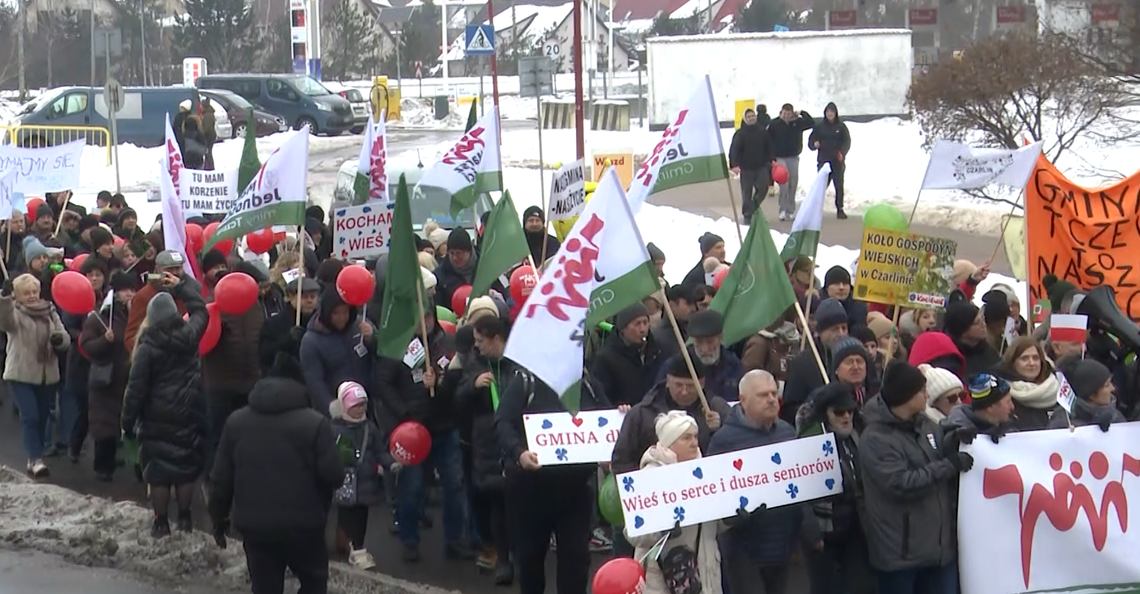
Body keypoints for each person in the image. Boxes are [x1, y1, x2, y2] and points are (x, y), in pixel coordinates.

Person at [209, 354, 345, 594]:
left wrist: (218, 519)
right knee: (314, 583)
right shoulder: (315, 423)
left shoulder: (237, 422)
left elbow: (221, 479)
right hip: (305, 525)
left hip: (255, 527)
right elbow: (333, 475)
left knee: (265, 588)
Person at [495, 362, 610, 594]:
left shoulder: (588, 383)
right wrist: (519, 452)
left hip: (575, 490)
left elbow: (606, 417)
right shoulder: (526, 383)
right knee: (529, 561)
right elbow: (502, 422)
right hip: (530, 490)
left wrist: (620, 418)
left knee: (576, 561)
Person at [859, 361, 970, 594]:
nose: (927, 394)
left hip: (938, 550)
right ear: (906, 395)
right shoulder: (876, 438)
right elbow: (901, 483)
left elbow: (942, 446)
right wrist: (948, 466)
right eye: (922, 391)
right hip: (902, 555)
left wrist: (962, 436)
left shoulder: (925, 425)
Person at [709, 371, 821, 594]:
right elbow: (716, 496)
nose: (771, 399)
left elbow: (800, 486)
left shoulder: (787, 432)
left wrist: (811, 532)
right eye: (763, 395)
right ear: (743, 400)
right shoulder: (724, 440)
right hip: (744, 548)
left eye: (773, 393)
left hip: (782, 542)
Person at [374, 305, 469, 562]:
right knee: (412, 487)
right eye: (418, 318)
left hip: (445, 425)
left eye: (427, 317)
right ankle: (409, 539)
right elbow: (382, 382)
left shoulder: (447, 343)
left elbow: (460, 378)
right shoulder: (397, 346)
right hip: (413, 429)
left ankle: (454, 539)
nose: (423, 323)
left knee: (453, 484)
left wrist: (439, 382)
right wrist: (403, 412)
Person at [121, 277, 209, 537]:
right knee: (185, 468)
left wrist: (127, 421)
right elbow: (201, 310)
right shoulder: (191, 335)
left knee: (158, 472)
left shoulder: (147, 347)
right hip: (189, 410)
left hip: (156, 415)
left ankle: (160, 521)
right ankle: (184, 517)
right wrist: (182, 287)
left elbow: (135, 389)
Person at [628, 411, 725, 594]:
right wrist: (661, 530)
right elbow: (634, 534)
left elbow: (709, 527)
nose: (694, 442)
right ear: (669, 442)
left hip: (704, 575)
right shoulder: (649, 476)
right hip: (662, 579)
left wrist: (727, 520)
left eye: (695, 436)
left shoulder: (705, 473)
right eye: (686, 437)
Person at [794, 383, 876, 594]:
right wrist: (812, 532)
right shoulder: (808, 442)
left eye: (850, 411)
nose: (846, 417)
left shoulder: (856, 436)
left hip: (854, 527)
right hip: (823, 530)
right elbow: (800, 494)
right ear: (824, 414)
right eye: (839, 412)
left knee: (861, 586)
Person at [457, 315, 517, 582]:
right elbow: (457, 400)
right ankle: (503, 559)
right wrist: (472, 386)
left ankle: (522, 556)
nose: (477, 346)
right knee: (497, 504)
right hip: (488, 443)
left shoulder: (517, 363)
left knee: (519, 505)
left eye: (481, 341)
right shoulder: (474, 365)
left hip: (517, 439)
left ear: (496, 339)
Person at [0, 273, 69, 478]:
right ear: (18, 295)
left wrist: (59, 339)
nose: (31, 296)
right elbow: (5, 323)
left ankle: (34, 456)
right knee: (30, 416)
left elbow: (64, 337)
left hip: (47, 373)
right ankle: (35, 458)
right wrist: (4, 298)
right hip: (20, 373)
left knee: (43, 417)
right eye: (26, 293)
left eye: (34, 292)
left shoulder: (49, 311)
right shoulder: (15, 312)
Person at [79, 272, 135, 481]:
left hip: (128, 378)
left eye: (132, 289)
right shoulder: (100, 317)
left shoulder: (136, 315)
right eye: (125, 290)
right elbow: (87, 346)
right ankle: (102, 467)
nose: (129, 294)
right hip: (106, 379)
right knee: (105, 426)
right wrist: (104, 340)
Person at [329, 381, 389, 569]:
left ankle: (357, 547)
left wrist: (391, 463)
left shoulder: (370, 428)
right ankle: (352, 547)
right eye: (356, 405)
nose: (361, 409)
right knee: (346, 515)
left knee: (361, 517)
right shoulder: (333, 428)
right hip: (344, 481)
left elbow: (380, 451)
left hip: (365, 482)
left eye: (363, 404)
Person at [299, 287, 375, 413]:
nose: (342, 317)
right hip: (338, 409)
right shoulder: (311, 341)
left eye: (345, 312)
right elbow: (315, 382)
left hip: (368, 403)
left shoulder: (360, 325)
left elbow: (379, 357)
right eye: (336, 313)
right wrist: (331, 407)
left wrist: (372, 339)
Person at [781, 298, 850, 424]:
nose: (841, 333)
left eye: (844, 328)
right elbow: (789, 411)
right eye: (834, 329)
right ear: (820, 332)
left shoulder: (854, 358)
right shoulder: (802, 363)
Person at [656, 310, 744, 401]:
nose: (705, 349)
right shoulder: (674, 366)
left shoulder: (734, 366)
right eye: (699, 342)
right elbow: (656, 399)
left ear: (720, 338)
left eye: (710, 342)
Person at [591, 303, 663, 406]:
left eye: (645, 322)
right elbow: (603, 396)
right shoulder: (606, 358)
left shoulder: (657, 350)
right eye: (637, 324)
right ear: (623, 329)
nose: (642, 329)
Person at [124, 250, 189, 357]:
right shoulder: (145, 295)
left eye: (178, 268)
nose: (175, 273)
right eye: (169, 269)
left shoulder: (187, 292)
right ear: (158, 269)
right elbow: (131, 336)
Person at [994, 337, 1058, 430]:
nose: (1032, 363)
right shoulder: (1001, 393)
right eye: (1024, 358)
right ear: (1013, 362)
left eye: (1036, 358)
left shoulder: (1056, 388)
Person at [259, 277, 320, 374]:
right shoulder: (274, 323)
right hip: (285, 378)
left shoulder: (320, 323)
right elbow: (264, 355)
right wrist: (288, 340)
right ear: (291, 297)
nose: (309, 301)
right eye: (304, 297)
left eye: (313, 297)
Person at [1048, 357, 1125, 430]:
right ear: (1091, 394)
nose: (1113, 388)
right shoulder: (1063, 423)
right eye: (1107, 385)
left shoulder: (1116, 416)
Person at [768, 104, 815, 221]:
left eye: (789, 114)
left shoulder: (797, 123)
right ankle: (782, 209)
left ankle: (791, 210)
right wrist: (771, 158)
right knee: (784, 183)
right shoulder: (774, 124)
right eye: (785, 113)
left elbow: (811, 122)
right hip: (780, 157)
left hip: (794, 156)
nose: (787, 116)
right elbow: (768, 141)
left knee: (793, 183)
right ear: (781, 112)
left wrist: (802, 112)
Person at [729, 108, 775, 221]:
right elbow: (734, 149)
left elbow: (769, 146)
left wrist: (772, 159)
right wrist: (733, 164)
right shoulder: (740, 134)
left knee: (763, 188)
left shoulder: (762, 131)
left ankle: (753, 207)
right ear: (745, 119)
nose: (751, 118)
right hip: (746, 168)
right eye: (749, 117)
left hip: (761, 166)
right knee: (746, 192)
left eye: (753, 116)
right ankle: (747, 214)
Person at [808, 102, 851, 219]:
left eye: (832, 111)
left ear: (835, 113)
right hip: (824, 161)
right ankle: (815, 209)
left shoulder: (841, 126)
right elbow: (811, 142)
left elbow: (847, 141)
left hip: (837, 161)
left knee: (839, 185)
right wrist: (814, 144)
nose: (830, 114)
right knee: (821, 186)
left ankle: (840, 209)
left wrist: (842, 152)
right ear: (825, 113)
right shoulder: (819, 126)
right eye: (828, 112)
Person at [945, 373, 1015, 441]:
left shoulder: (1011, 430)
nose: (1012, 407)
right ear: (990, 407)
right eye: (1008, 402)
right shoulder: (954, 435)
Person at [942, 300, 1001, 378]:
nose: (983, 325)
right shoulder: (950, 359)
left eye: (982, 319)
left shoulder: (989, 351)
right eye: (977, 323)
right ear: (962, 329)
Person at [434, 229, 479, 311]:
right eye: (451, 253)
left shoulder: (483, 268)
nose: (455, 258)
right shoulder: (440, 276)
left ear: (469, 252)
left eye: (459, 253)